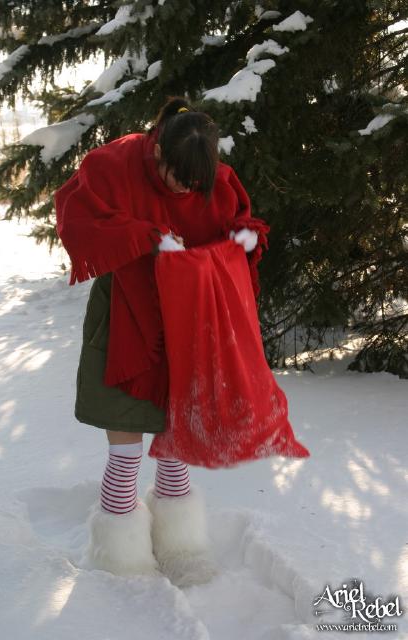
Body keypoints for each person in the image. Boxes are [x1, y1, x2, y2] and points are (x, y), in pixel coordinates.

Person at [54, 95, 260, 587]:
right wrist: (144, 235)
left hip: (183, 318)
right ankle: (119, 559)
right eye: (176, 177)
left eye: (195, 182)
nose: (185, 188)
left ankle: (182, 546)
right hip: (126, 314)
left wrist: (243, 238)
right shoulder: (115, 163)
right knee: (126, 446)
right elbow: (73, 216)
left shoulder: (211, 177)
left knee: (174, 437)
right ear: (159, 152)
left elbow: (230, 217)